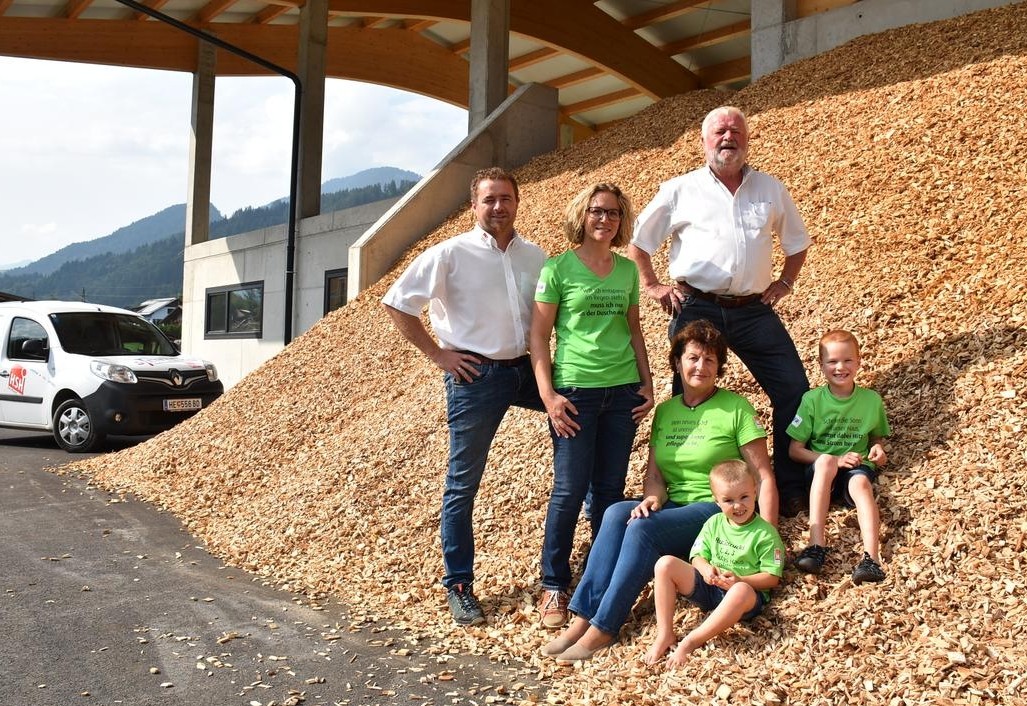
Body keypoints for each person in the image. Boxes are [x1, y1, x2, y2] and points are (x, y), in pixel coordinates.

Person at [541, 320, 774, 663]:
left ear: (719, 367)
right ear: (678, 362)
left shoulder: (736, 409)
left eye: (710, 360)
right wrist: (652, 498)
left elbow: (763, 476)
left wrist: (766, 533)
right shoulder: (666, 411)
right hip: (674, 505)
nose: (701, 366)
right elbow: (655, 475)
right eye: (693, 357)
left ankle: (603, 628)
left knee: (643, 528)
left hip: (714, 509)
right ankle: (582, 618)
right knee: (617, 512)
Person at [382, 167, 547, 626]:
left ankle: (590, 534)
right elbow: (397, 302)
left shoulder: (535, 256)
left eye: (506, 198)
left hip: (528, 370)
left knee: (579, 422)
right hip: (476, 376)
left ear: (518, 202)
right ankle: (458, 585)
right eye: (489, 199)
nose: (498, 207)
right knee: (462, 483)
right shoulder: (448, 254)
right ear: (474, 205)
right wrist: (439, 355)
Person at [628, 105, 812, 518]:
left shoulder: (769, 188)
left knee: (793, 390)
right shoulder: (679, 189)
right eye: (719, 131)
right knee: (688, 400)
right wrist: (653, 285)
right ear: (704, 141)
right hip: (697, 307)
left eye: (735, 131)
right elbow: (639, 243)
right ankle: (685, 495)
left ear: (747, 139)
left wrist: (785, 282)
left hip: (753, 309)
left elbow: (797, 243)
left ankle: (788, 486)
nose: (728, 137)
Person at [530, 183, 654, 629]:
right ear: (582, 215)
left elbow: (634, 329)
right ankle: (554, 584)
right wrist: (548, 395)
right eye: (598, 211)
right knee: (569, 489)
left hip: (621, 392)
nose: (606, 219)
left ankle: (596, 580)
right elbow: (538, 336)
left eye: (614, 213)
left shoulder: (626, 271)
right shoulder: (557, 268)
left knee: (609, 490)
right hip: (575, 393)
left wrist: (647, 382)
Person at [642, 459, 784, 668]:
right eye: (728, 500)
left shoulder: (765, 534)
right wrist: (705, 569)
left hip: (742, 598)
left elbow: (772, 578)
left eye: (744, 497)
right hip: (710, 587)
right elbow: (697, 556)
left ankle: (692, 641)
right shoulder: (714, 522)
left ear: (755, 492)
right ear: (716, 501)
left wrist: (740, 580)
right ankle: (665, 633)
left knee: (741, 590)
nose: (738, 506)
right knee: (665, 564)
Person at [787, 330, 891, 584]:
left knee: (861, 483)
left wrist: (878, 449)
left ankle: (871, 559)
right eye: (832, 361)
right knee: (825, 461)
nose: (840, 367)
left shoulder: (871, 400)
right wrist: (835, 459)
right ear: (821, 365)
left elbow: (876, 438)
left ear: (859, 362)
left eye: (847, 360)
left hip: (856, 468)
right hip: (822, 475)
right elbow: (795, 450)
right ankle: (816, 546)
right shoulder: (812, 400)